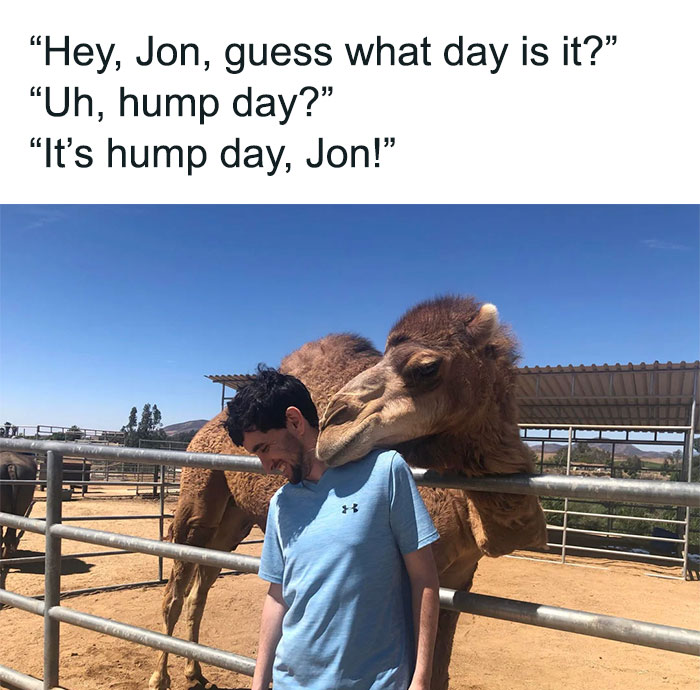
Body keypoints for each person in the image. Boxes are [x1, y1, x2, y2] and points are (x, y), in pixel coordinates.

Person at [225, 367, 440, 690]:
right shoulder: (282, 503)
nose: (266, 466)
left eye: (264, 448)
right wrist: (259, 683)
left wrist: (421, 680)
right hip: (292, 682)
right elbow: (277, 596)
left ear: (295, 422)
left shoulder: (385, 473)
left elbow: (424, 581)